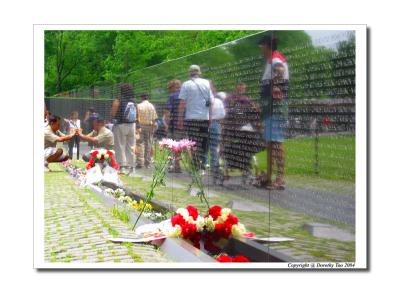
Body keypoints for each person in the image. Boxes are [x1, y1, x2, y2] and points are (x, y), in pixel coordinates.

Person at [259, 35, 289, 190]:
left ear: (266, 45)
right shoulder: (273, 59)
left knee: (276, 142)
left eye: (261, 46)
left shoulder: (275, 59)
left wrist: (275, 87)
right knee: (271, 142)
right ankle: (270, 177)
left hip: (274, 107)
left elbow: (280, 70)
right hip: (270, 107)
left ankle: (280, 178)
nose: (260, 49)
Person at [222, 83, 262, 183]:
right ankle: (242, 165)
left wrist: (256, 109)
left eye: (243, 88)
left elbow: (256, 112)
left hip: (248, 130)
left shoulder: (248, 100)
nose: (241, 90)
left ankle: (245, 166)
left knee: (250, 144)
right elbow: (227, 113)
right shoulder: (230, 99)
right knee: (243, 144)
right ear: (236, 88)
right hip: (235, 128)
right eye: (239, 88)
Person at [177, 65, 214, 172]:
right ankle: (201, 164)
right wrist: (210, 117)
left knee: (193, 142)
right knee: (203, 142)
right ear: (199, 73)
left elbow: (182, 103)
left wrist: (180, 119)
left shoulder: (186, 84)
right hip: (204, 118)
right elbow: (211, 102)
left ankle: (195, 165)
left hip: (191, 118)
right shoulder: (207, 83)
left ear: (189, 73)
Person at [111, 83, 137, 176]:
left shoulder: (118, 100)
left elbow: (113, 113)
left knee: (120, 145)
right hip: (132, 125)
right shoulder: (133, 101)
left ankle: (122, 166)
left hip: (121, 125)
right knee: (131, 146)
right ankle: (131, 166)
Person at [164, 79, 183, 172]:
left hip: (173, 125)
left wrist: (167, 125)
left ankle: (171, 165)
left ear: (173, 87)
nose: (169, 90)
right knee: (179, 146)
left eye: (169, 88)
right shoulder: (184, 95)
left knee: (171, 145)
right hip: (184, 125)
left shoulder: (172, 96)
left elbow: (167, 111)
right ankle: (178, 165)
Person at [136, 93, 158, 168]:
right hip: (149, 126)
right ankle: (147, 163)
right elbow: (154, 118)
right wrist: (153, 126)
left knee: (140, 143)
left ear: (141, 98)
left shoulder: (139, 105)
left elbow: (136, 117)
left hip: (140, 126)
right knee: (148, 144)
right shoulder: (151, 106)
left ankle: (140, 162)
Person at [209, 91, 226, 178]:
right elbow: (223, 115)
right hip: (215, 124)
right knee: (214, 147)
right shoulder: (219, 102)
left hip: (203, 122)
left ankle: (202, 166)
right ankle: (214, 167)